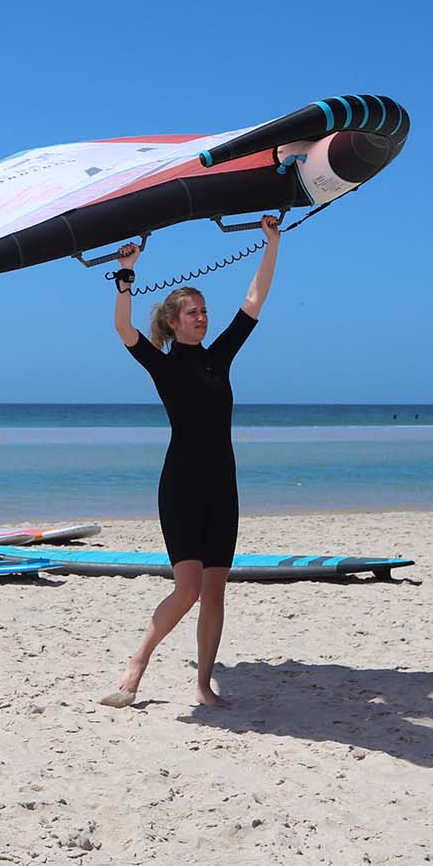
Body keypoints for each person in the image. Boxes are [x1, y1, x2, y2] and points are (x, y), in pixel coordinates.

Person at [100, 216, 281, 709]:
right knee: (188, 590)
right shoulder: (163, 363)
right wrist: (126, 275)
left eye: (204, 311)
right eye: (194, 313)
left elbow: (253, 302)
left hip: (223, 485)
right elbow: (122, 327)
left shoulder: (218, 357)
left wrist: (272, 244)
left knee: (216, 591)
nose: (203, 317)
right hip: (181, 484)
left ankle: (202, 685)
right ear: (174, 321)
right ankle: (138, 661)